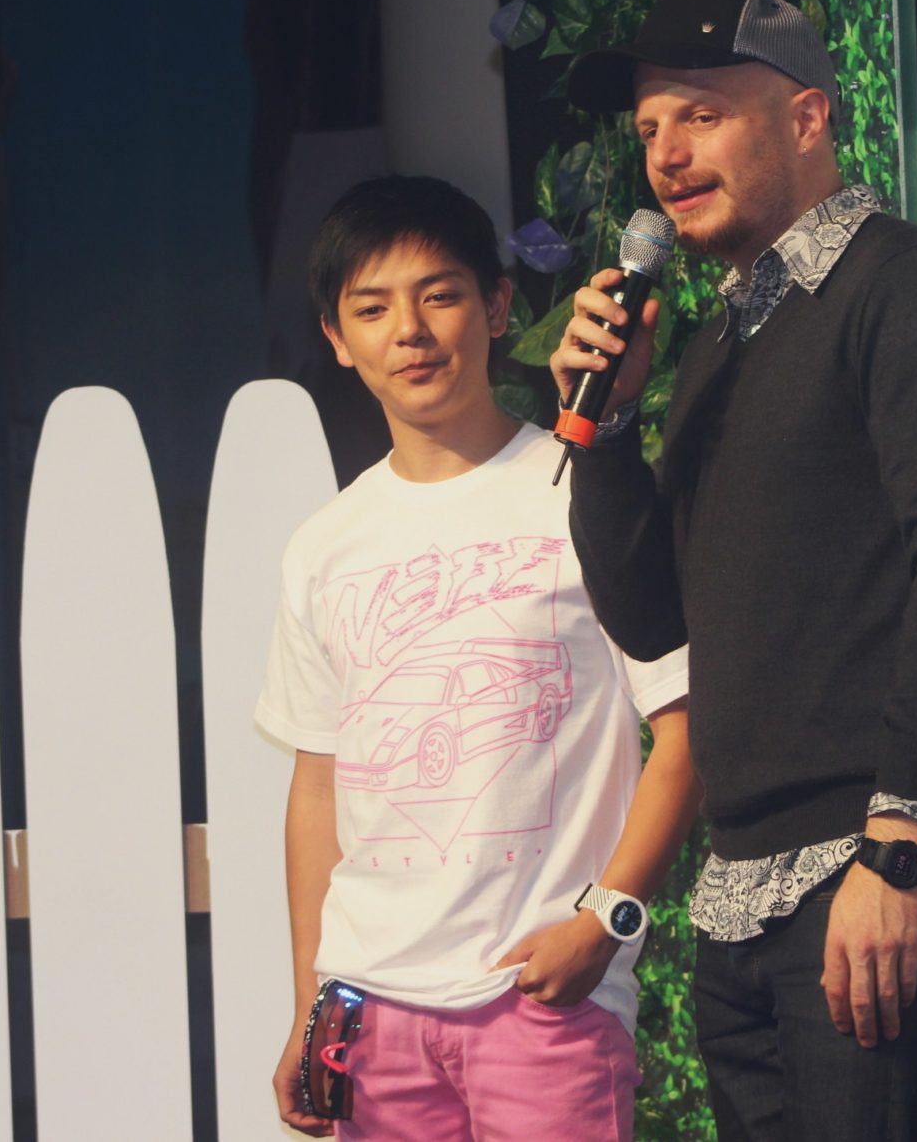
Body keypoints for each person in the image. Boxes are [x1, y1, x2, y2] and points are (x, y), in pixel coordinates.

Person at [550, 0, 917, 1141]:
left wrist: (898, 851)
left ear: (806, 117)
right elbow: (654, 619)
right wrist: (607, 425)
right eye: (649, 129)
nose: (667, 155)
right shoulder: (720, 339)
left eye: (701, 115)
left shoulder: (908, 290)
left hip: (878, 860)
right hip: (744, 888)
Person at [257, 175, 697, 1139]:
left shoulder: (584, 492)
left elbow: (686, 725)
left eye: (440, 294)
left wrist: (605, 921)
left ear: (497, 307)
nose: (410, 331)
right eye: (373, 308)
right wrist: (308, 1003)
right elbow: (319, 784)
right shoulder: (324, 546)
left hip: (542, 1000)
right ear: (337, 338)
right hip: (370, 1009)